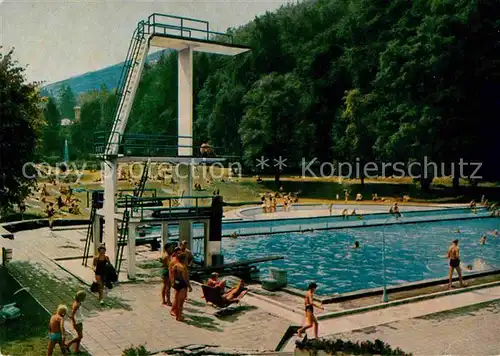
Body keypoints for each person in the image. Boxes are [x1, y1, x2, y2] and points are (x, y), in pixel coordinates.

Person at [170, 253, 192, 321]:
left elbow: (172, 274)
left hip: (177, 283)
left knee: (176, 300)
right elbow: (186, 278)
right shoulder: (183, 267)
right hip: (182, 284)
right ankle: (179, 316)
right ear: (183, 259)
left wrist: (173, 282)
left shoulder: (175, 265)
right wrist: (189, 286)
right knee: (181, 301)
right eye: (186, 258)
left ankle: (176, 313)